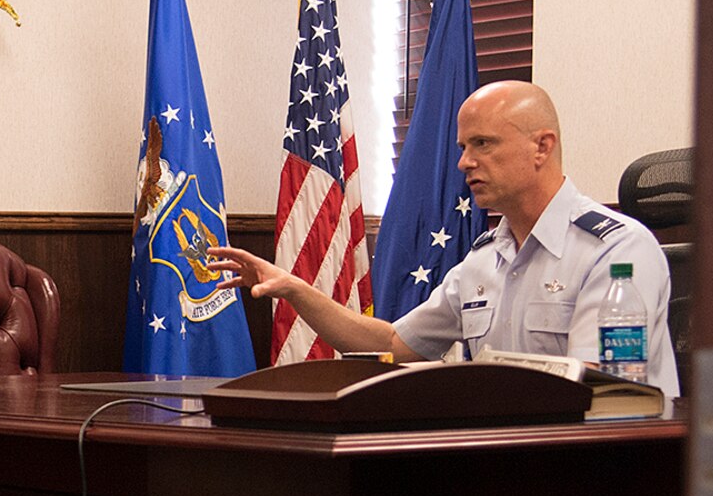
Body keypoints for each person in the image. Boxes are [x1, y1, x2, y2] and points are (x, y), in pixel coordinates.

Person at [211, 81, 679, 398]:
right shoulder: (484, 259)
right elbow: (394, 342)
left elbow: (594, 392)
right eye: (463, 148)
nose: (464, 163)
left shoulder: (615, 251)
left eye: (484, 144)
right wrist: (294, 288)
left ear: (542, 146)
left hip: (602, 476)